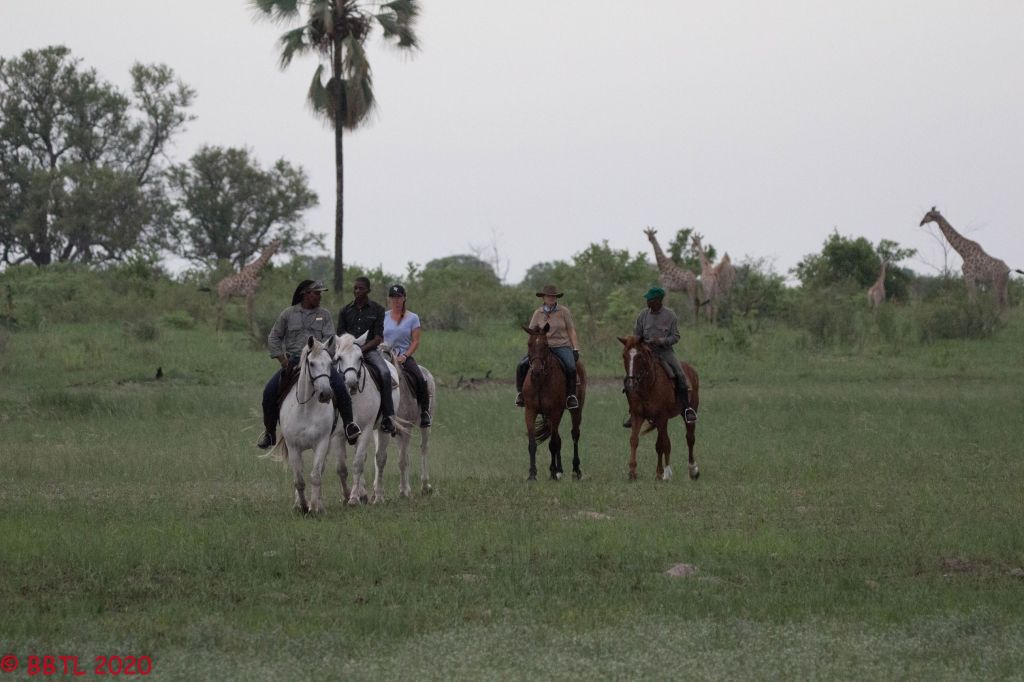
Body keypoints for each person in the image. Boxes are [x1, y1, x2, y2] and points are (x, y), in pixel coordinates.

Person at [256, 279, 361, 449]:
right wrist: (282, 359)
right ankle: (270, 433)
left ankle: (349, 425)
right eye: (316, 293)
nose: (319, 296)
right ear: (305, 294)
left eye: (320, 293)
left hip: (319, 362)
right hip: (294, 361)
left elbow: (330, 339)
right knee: (269, 392)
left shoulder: (325, 315)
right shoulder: (288, 314)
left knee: (341, 388)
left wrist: (324, 356)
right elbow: (274, 337)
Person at [626, 286, 697, 425]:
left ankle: (687, 408)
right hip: (645, 352)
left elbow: (675, 336)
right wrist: (638, 344)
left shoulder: (670, 316)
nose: (647, 302)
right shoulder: (643, 315)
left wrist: (661, 341)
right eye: (647, 300)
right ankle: (632, 411)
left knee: (680, 375)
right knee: (630, 377)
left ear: (658, 301)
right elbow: (637, 335)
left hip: (665, 352)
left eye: (650, 300)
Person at [337, 276, 396, 436]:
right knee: (329, 374)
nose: (357, 291)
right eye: (355, 288)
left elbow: (378, 338)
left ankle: (388, 416)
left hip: (369, 350)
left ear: (368, 290)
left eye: (361, 288)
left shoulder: (377, 309)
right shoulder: (345, 311)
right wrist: (349, 350)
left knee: (384, 373)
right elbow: (340, 335)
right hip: (347, 352)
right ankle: (331, 415)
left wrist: (361, 350)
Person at [515, 284, 581, 410]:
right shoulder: (538, 313)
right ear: (543, 298)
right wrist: (533, 347)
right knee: (521, 365)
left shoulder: (564, 311)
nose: (551, 298)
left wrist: (575, 348)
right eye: (549, 296)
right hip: (541, 348)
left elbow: (571, 330)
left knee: (571, 367)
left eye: (553, 296)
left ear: (556, 298)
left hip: (561, 345)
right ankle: (520, 394)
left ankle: (571, 396)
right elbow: (532, 332)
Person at [383, 284, 432, 428]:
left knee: (420, 377)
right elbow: (379, 337)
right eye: (393, 297)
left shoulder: (413, 318)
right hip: (385, 355)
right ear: (389, 299)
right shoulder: (383, 316)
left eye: (399, 297)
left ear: (404, 298)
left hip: (403, 356)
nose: (396, 300)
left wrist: (405, 355)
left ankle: (424, 412)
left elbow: (415, 341)